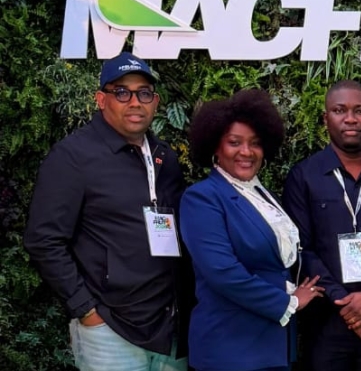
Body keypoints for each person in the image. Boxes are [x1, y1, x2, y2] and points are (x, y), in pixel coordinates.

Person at [25, 52, 190, 371]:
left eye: (144, 93)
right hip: (111, 332)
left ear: (155, 102)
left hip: (169, 330)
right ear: (101, 100)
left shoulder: (164, 158)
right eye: (122, 92)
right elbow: (43, 240)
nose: (135, 102)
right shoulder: (73, 157)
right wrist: (85, 309)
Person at [180, 89, 325, 371]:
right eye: (234, 142)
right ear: (215, 147)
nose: (246, 152)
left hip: (273, 344)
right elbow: (223, 272)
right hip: (231, 346)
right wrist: (288, 302)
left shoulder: (261, 194)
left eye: (255, 143)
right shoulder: (202, 197)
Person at [283, 80, 361, 371]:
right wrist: (349, 308)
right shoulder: (303, 176)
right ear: (325, 118)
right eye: (340, 110)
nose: (350, 118)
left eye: (360, 111)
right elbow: (302, 251)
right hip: (326, 324)